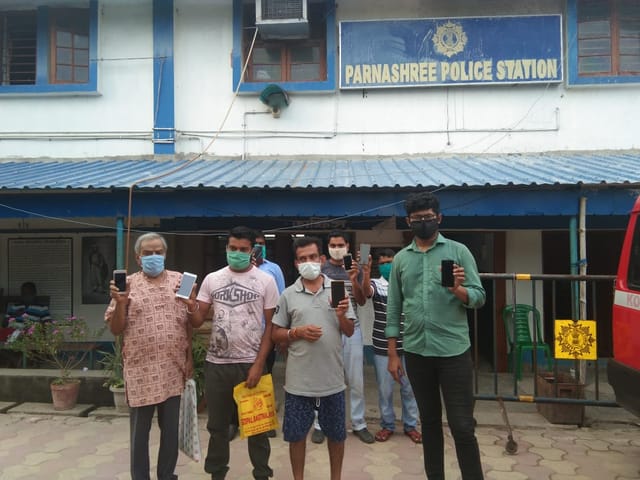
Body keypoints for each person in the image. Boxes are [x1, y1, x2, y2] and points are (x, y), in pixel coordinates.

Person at [386, 191, 486, 480]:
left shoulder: (458, 252)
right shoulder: (401, 260)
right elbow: (394, 307)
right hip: (417, 352)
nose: (423, 222)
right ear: (409, 222)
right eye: (417, 219)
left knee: (462, 426)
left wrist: (458, 289)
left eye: (428, 218)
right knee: (429, 424)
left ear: (439, 218)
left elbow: (479, 297)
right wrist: (393, 354)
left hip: (454, 352)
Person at [104, 232, 198, 480]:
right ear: (138, 258)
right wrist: (121, 303)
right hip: (140, 371)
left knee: (170, 431)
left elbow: (189, 323)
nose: (153, 257)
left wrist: (189, 357)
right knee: (139, 432)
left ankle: (166, 475)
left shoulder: (181, 281)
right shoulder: (127, 285)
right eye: (147, 253)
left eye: (158, 252)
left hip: (172, 368)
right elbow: (116, 329)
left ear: (165, 254)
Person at [189, 226, 279, 480]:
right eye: (233, 248)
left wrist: (259, 364)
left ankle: (261, 473)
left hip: (250, 364)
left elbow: (271, 326)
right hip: (216, 364)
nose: (237, 253)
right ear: (226, 248)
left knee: (257, 427)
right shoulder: (212, 279)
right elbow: (197, 320)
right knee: (217, 427)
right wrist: (190, 304)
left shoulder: (265, 281)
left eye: (243, 249)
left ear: (252, 251)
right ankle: (217, 473)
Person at [271, 236, 355, 480]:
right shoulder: (288, 294)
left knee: (336, 436)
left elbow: (350, 331)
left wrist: (341, 315)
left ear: (322, 259)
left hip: (332, 380)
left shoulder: (337, 289)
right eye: (302, 259)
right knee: (296, 437)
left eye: (312, 257)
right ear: (296, 263)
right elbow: (275, 333)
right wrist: (296, 332)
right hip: (299, 382)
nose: (308, 262)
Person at [312, 230, 374, 444]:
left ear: (348, 246)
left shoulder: (355, 268)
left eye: (341, 245)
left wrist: (355, 278)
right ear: (327, 247)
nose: (337, 248)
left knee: (356, 379)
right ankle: (319, 424)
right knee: (322, 377)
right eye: (333, 245)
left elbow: (362, 301)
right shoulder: (320, 269)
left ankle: (359, 423)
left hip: (352, 329)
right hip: (327, 329)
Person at [363, 248, 422, 444]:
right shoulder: (376, 284)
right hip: (382, 346)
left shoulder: (409, 283)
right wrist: (365, 272)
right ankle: (387, 425)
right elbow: (366, 292)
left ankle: (411, 425)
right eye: (383, 263)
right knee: (385, 389)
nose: (387, 266)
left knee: (409, 388)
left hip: (409, 344)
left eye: (390, 262)